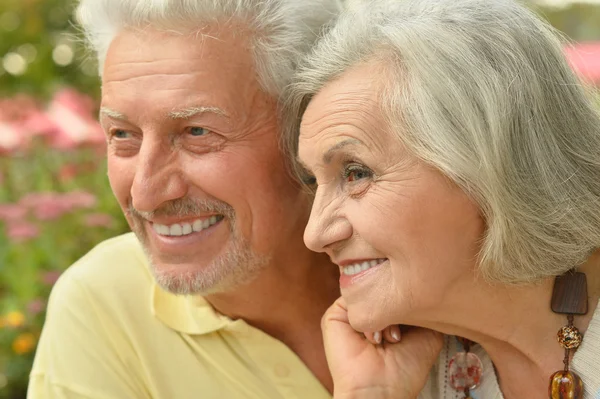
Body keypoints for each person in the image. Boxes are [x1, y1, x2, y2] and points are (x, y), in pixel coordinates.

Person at [286, 0, 600, 398]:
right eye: (315, 181)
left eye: (356, 173)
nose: (315, 235)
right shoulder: (412, 367)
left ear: (488, 164)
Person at [28, 1, 341, 398]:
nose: (145, 193)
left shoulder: (419, 272)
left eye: (196, 132)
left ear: (307, 127)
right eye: (123, 135)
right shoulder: (103, 307)